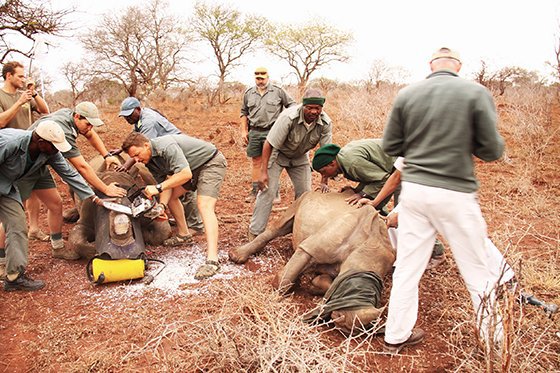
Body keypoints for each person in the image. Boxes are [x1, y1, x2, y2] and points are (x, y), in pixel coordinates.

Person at [381, 47, 506, 354]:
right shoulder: (475, 93)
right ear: (458, 66)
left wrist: (421, 142)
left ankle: (395, 334)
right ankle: (495, 343)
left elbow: (390, 145)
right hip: (455, 193)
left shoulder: (407, 95)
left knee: (408, 268)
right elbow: (492, 151)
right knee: (477, 269)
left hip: (415, 194)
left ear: (431, 66)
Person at [0, 121, 100, 291]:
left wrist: (94, 197)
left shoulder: (50, 152)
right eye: (55, 146)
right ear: (41, 142)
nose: (57, 150)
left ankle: (14, 277)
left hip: (7, 186)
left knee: (17, 225)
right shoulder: (9, 143)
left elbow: (69, 173)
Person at [312, 141, 445, 267]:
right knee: (380, 208)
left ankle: (436, 252)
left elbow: (383, 179)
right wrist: (358, 191)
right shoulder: (344, 158)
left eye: (324, 172)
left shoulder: (352, 163)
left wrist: (362, 194)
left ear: (332, 163)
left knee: (406, 215)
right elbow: (370, 177)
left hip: (404, 171)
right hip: (394, 171)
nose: (326, 176)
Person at [24, 102, 127, 259]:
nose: (89, 128)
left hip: (43, 160)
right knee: (13, 212)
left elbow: (90, 134)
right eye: (88, 124)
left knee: (56, 204)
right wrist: (106, 190)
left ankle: (54, 245)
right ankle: (4, 262)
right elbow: (81, 167)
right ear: (77, 116)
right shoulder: (63, 131)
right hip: (22, 163)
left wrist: (106, 155)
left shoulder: (70, 115)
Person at [121, 132, 227, 280]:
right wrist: (161, 206)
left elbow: (184, 174)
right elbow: (166, 186)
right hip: (192, 169)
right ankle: (184, 235)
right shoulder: (150, 161)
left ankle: (212, 260)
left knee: (204, 205)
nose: (137, 160)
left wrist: (157, 188)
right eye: (134, 158)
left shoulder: (166, 146)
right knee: (170, 197)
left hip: (210, 163)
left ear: (146, 145)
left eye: (138, 155)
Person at [248, 88, 333, 239]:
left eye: (317, 108)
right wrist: (263, 172)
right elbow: (269, 143)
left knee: (304, 194)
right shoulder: (289, 117)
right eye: (310, 108)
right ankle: (255, 233)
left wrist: (324, 181)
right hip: (278, 154)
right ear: (303, 106)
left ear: (321, 108)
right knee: (268, 191)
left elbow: (326, 153)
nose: (313, 111)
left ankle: (297, 230)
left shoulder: (325, 122)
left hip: (300, 157)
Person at [118, 96, 204, 237]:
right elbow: (136, 140)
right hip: (163, 153)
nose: (127, 118)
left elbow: (143, 147)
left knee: (185, 185)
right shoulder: (139, 119)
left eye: (129, 115)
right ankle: (182, 220)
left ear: (138, 109)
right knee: (171, 189)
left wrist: (126, 165)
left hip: (175, 150)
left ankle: (195, 225)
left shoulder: (148, 121)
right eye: (124, 116)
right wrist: (121, 150)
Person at [0, 61, 51, 244]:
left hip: (32, 150)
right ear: (8, 76)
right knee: (13, 201)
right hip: (11, 155)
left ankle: (35, 228)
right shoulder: (1, 96)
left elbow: (45, 111)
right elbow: (1, 122)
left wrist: (33, 93)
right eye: (20, 76)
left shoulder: (26, 95)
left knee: (35, 193)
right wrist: (19, 103)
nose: (23, 79)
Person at [240, 67, 295, 203]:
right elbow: (244, 112)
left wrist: (285, 124)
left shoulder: (278, 91)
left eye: (262, 77)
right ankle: (255, 192)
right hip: (254, 132)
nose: (260, 80)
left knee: (271, 163)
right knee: (256, 162)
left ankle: (274, 193)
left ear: (267, 77)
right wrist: (244, 131)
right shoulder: (249, 93)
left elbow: (292, 106)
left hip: (273, 132)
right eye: (257, 77)